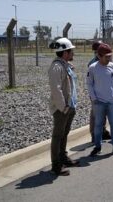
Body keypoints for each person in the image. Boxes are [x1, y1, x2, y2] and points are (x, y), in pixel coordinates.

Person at [48, 37, 80, 176]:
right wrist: (63, 107)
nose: (73, 53)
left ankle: (63, 158)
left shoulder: (66, 65)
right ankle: (56, 165)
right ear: (65, 52)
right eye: (71, 51)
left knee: (64, 134)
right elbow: (56, 89)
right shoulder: (56, 67)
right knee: (57, 136)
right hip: (62, 109)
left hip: (69, 106)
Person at [87, 43, 113, 156]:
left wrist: (110, 91)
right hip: (98, 102)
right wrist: (94, 98)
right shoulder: (92, 68)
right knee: (98, 125)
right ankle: (97, 147)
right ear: (99, 56)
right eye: (106, 56)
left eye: (110, 56)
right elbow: (89, 84)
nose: (108, 58)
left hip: (112, 101)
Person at [87, 40, 111, 143]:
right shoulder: (93, 63)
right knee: (95, 114)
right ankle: (94, 134)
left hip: (104, 91)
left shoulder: (104, 61)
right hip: (96, 93)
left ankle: (103, 131)